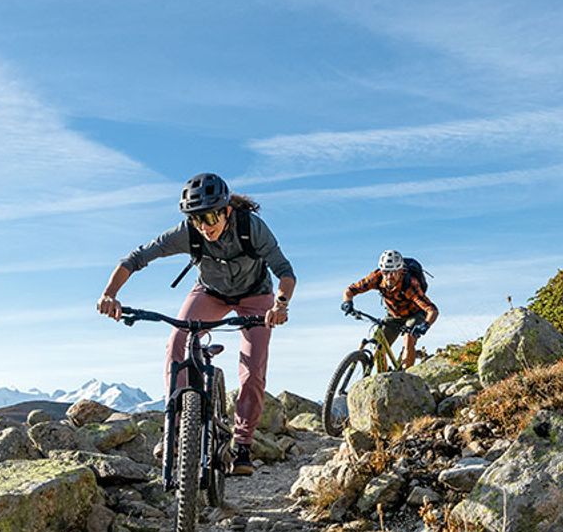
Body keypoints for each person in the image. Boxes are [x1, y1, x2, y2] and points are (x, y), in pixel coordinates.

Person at [97, 173, 294, 476]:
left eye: (211, 216)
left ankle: (242, 444)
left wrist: (280, 305)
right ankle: (174, 431)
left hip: (256, 297)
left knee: (253, 370)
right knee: (177, 342)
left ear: (226, 210)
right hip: (211, 293)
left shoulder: (251, 228)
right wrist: (109, 294)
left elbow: (284, 270)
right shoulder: (187, 233)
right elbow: (136, 258)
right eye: (197, 218)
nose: (205, 226)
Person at [342, 249, 439, 369]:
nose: (389, 277)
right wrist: (347, 303)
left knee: (409, 337)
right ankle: (384, 374)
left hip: (415, 314)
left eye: (393, 272)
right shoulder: (377, 277)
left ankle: (405, 376)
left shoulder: (409, 284)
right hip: (394, 315)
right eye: (385, 272)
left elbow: (432, 310)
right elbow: (350, 290)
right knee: (379, 344)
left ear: (400, 270)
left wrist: (425, 325)